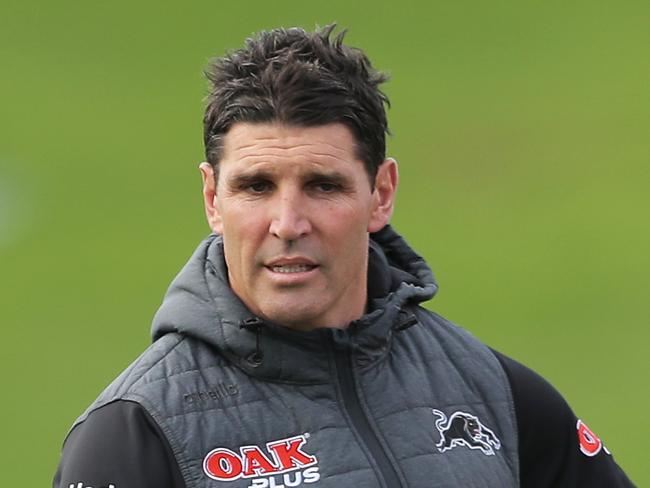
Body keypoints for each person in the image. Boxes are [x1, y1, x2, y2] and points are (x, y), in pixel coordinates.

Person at [53, 25, 635, 488]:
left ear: (380, 193)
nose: (287, 224)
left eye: (323, 186)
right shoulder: (135, 435)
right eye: (256, 186)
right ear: (212, 198)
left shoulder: (497, 397)